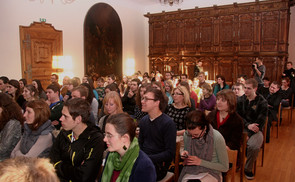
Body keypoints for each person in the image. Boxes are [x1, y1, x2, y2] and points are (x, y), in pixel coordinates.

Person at [50, 98, 104, 182]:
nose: (60, 119)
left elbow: (84, 175)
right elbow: (51, 160)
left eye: (65, 116)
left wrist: (59, 165)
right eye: (61, 115)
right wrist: (75, 169)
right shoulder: (64, 133)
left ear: (78, 119)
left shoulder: (95, 139)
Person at [101, 113, 156, 182]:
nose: (104, 139)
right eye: (105, 134)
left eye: (109, 135)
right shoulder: (110, 156)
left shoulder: (144, 166)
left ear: (125, 138)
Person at [178, 110, 229, 182]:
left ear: (205, 128)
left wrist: (200, 162)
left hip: (212, 172)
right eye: (190, 134)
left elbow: (225, 167)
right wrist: (184, 154)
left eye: (196, 135)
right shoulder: (187, 135)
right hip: (191, 171)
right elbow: (187, 154)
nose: (192, 137)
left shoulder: (216, 137)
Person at [138, 87, 176, 181]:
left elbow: (169, 153)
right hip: (144, 160)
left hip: (158, 165)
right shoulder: (143, 121)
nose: (142, 101)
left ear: (157, 102)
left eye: (146, 99)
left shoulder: (168, 123)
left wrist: (147, 158)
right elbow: (140, 144)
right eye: (143, 98)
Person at [236, 78, 268, 180]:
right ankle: (237, 162)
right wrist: (247, 125)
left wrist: (248, 134)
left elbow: (260, 122)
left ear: (255, 88)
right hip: (243, 127)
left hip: (256, 130)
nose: (246, 90)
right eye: (245, 88)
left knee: (253, 146)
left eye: (249, 88)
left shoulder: (262, 102)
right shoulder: (240, 100)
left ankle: (247, 168)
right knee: (230, 139)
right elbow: (238, 116)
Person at [0, 93, 24, 161]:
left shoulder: (13, 123)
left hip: (5, 159)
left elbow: (4, 148)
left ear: (4, 107)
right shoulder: (4, 119)